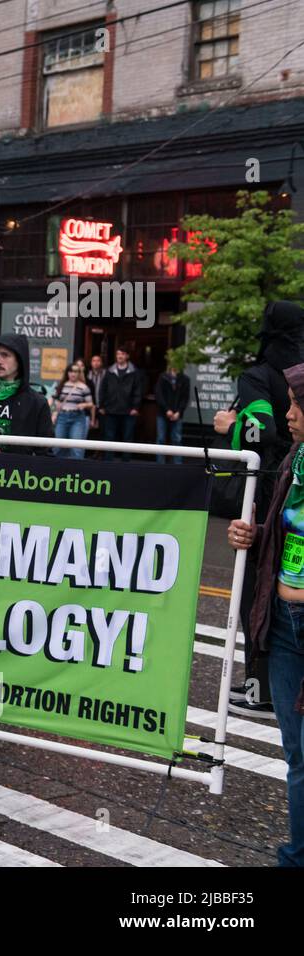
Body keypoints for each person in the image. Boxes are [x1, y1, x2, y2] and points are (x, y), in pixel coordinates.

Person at [229, 360, 304, 867]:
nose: (289, 413)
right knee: (298, 756)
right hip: (280, 622)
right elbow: (283, 530)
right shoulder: (297, 457)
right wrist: (252, 536)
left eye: (298, 404)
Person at [214, 302, 304, 718]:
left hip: (266, 489)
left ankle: (259, 688)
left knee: (257, 587)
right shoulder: (300, 371)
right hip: (296, 486)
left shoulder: (258, 375)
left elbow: (259, 430)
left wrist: (227, 426)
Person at [0, 334, 54, 454]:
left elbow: (45, 452)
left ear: (20, 359)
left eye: (5, 355)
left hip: (17, 470)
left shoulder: (37, 403)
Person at [97, 347, 144, 461]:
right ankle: (108, 462)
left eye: (122, 354)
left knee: (127, 437)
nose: (119, 356)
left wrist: (135, 407)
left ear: (127, 356)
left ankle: (126, 462)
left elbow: (138, 391)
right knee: (109, 437)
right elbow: (102, 389)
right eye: (118, 354)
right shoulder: (110, 371)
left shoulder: (134, 372)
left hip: (128, 410)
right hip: (110, 409)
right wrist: (102, 406)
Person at [50, 361, 95, 459]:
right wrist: (54, 412)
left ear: (79, 373)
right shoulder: (62, 385)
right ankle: (56, 470)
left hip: (77, 418)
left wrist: (84, 404)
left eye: (75, 372)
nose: (73, 374)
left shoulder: (84, 387)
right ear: (67, 373)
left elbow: (91, 404)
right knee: (57, 446)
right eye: (70, 371)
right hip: (62, 416)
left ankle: (76, 471)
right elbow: (55, 399)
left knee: (76, 448)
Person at [154, 365, 191, 465]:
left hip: (177, 414)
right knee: (161, 439)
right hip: (163, 413)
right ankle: (160, 464)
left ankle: (177, 464)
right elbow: (159, 394)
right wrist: (167, 409)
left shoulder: (185, 379)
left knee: (177, 439)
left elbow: (185, 398)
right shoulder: (163, 377)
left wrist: (179, 411)